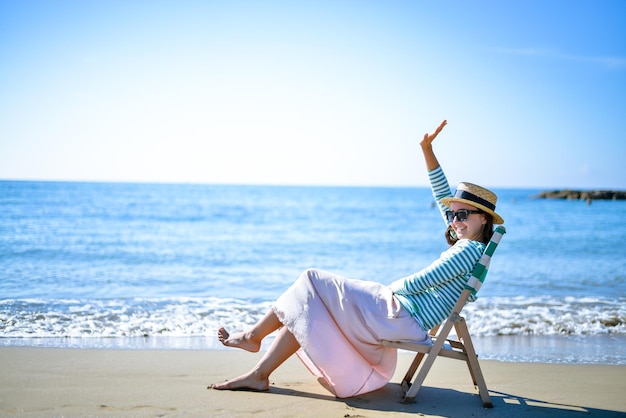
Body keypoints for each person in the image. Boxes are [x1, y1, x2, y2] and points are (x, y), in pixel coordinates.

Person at [210, 120, 504, 398]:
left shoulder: (467, 250)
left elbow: (422, 280)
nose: (454, 221)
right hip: (403, 316)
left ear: (483, 219)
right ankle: (259, 372)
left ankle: (252, 336)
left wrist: (383, 292)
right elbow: (441, 192)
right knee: (308, 303)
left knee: (311, 278)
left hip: (400, 314)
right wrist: (427, 151)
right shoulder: (468, 241)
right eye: (452, 214)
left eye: (462, 214)